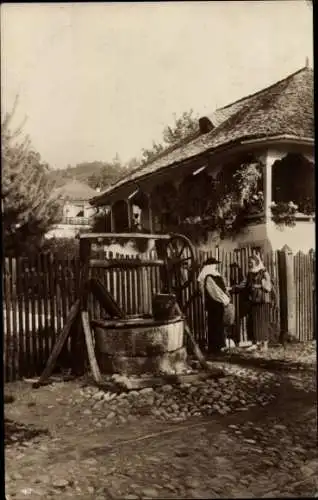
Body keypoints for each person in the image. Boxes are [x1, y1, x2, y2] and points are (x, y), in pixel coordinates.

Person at [234, 253, 272, 351]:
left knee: (262, 322)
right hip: (254, 300)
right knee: (255, 323)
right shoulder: (249, 273)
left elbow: (269, 287)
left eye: (251, 262)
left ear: (257, 262)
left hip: (262, 301)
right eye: (249, 263)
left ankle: (265, 344)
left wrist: (258, 286)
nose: (249, 264)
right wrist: (233, 288)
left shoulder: (264, 272)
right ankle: (257, 343)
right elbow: (244, 284)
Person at [197, 257, 231, 354]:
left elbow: (214, 291)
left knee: (215, 325)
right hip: (216, 304)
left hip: (214, 304)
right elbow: (218, 291)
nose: (215, 266)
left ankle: (216, 347)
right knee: (216, 325)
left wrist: (223, 298)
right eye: (214, 264)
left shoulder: (210, 276)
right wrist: (225, 299)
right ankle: (216, 347)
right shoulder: (212, 276)